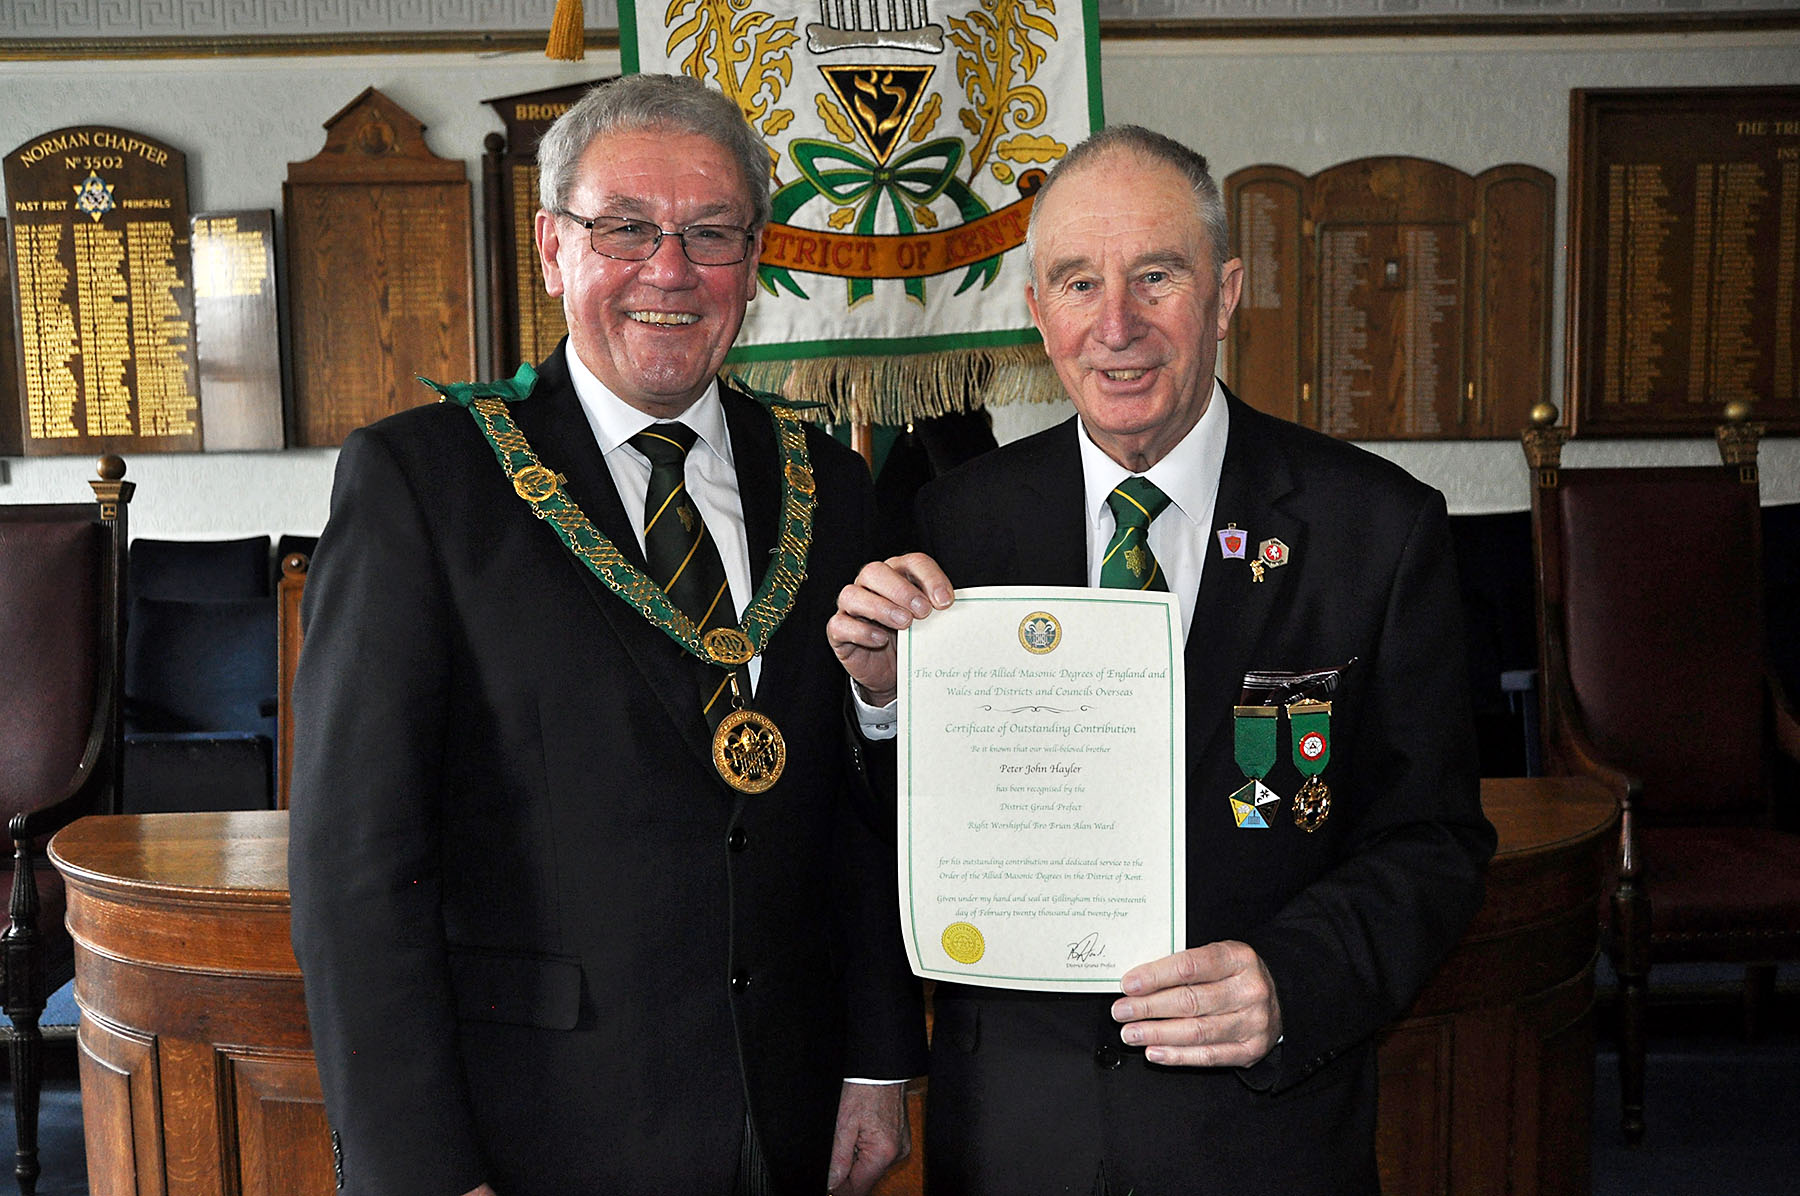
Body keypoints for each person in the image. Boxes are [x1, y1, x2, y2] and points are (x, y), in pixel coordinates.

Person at [828, 125, 1498, 1194]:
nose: (1119, 325)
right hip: (1014, 1136)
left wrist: (1292, 977)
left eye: (1157, 275)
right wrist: (879, 700)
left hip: (1259, 1134)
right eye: (1079, 282)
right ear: (1038, 311)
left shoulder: (1375, 528)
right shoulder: (957, 524)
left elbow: (1434, 839)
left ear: (1226, 293)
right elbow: (879, 829)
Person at [288, 73, 925, 1196]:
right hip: (535, 1127)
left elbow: (852, 809)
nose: (668, 270)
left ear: (756, 256)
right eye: (625, 228)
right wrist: (419, 1169)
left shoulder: (830, 483)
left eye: (710, 232)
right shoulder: (425, 482)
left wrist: (878, 1056)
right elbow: (355, 867)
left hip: (786, 1110)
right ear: (552, 247)